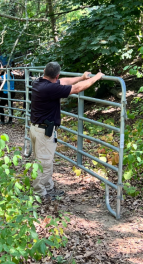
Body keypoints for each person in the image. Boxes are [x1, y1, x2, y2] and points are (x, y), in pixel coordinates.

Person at [29, 62, 103, 200]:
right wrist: (96, 78)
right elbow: (75, 89)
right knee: (44, 163)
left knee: (45, 161)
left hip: (37, 129)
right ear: (56, 75)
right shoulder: (50, 89)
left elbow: (64, 81)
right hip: (43, 132)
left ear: (45, 71)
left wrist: (81, 77)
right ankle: (40, 193)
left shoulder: (39, 82)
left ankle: (48, 188)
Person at [0, 55, 15, 124]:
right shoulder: (12, 74)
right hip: (12, 92)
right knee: (10, 106)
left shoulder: (6, 75)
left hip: (6, 93)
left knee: (0, 106)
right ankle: (10, 120)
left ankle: (2, 120)